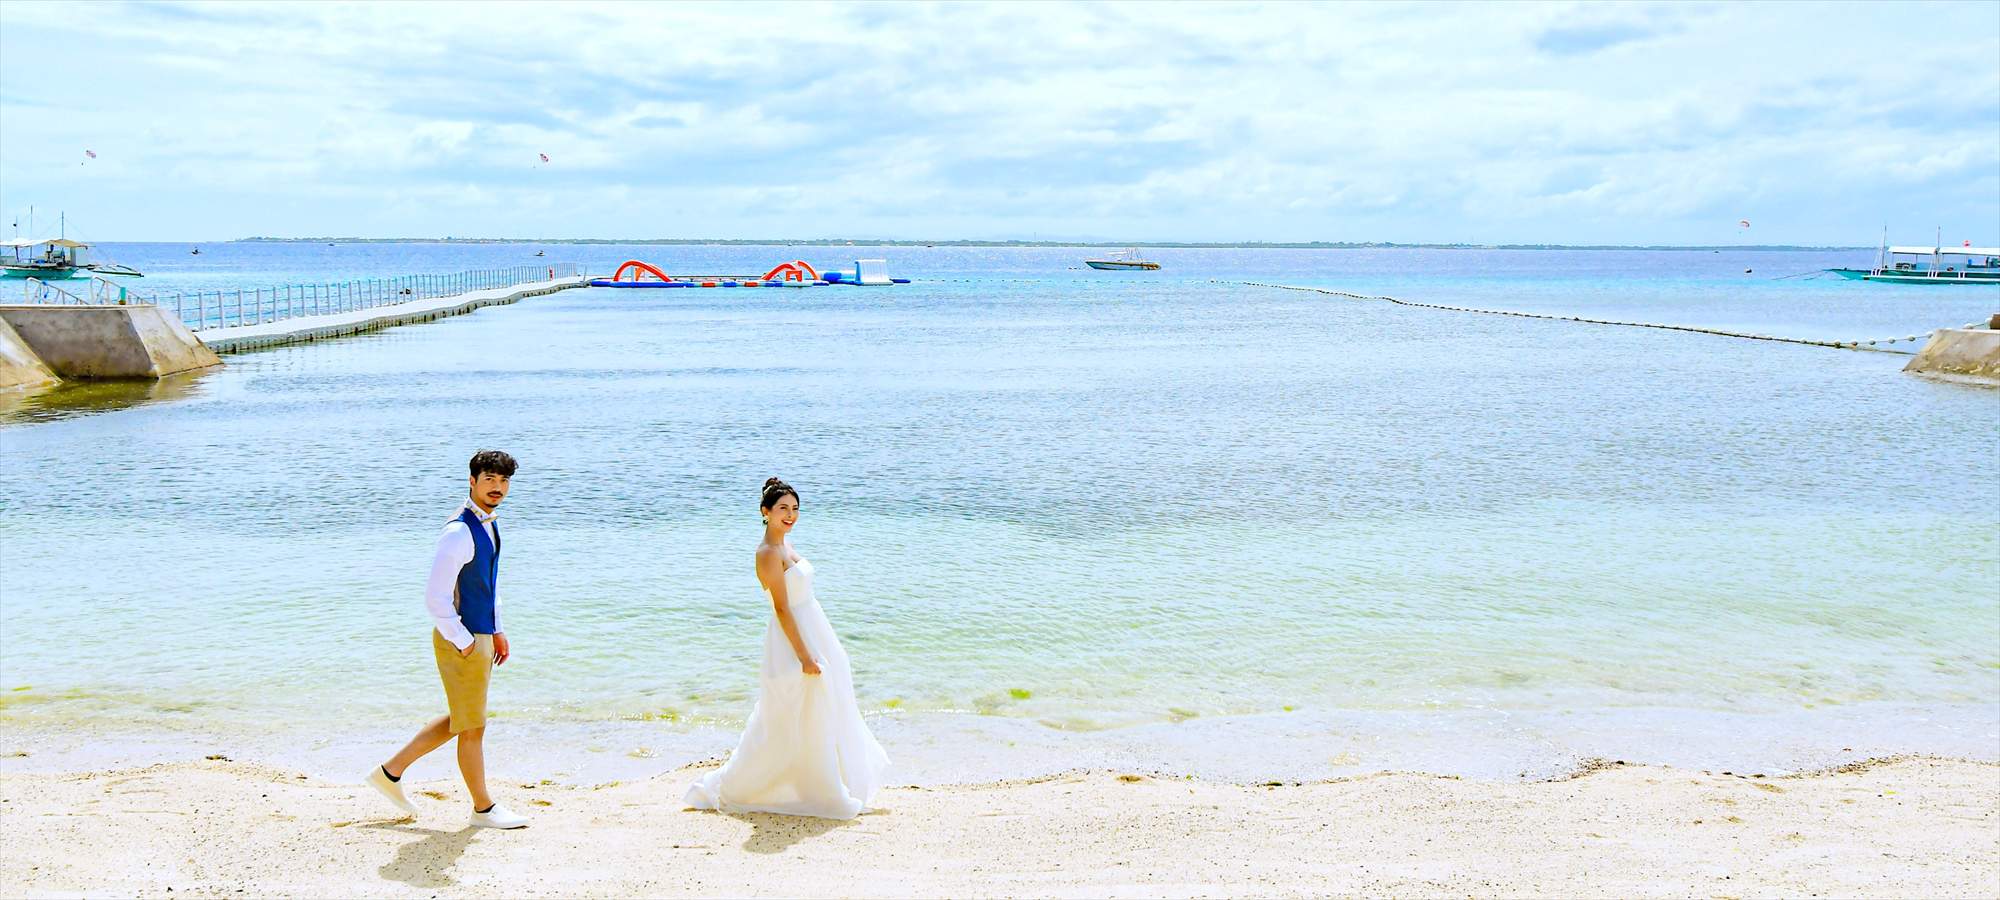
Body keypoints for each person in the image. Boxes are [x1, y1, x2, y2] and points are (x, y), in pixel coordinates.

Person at [685, 478, 889, 819]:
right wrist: (805, 656)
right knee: (784, 718)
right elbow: (781, 608)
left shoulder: (785, 545)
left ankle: (834, 781)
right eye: (783, 509)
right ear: (765, 513)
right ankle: (745, 786)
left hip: (814, 629)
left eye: (795, 509)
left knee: (822, 710)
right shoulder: (767, 554)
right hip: (792, 641)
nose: (790, 515)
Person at [365, 450, 529, 829]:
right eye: (489, 479)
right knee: (473, 727)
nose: (497, 488)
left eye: (503, 481)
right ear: (472, 481)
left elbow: (488, 584)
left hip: (480, 634)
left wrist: (497, 628)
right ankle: (483, 809)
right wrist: (464, 640)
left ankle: (390, 773)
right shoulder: (458, 532)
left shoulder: (487, 525)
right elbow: (435, 597)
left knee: (463, 718)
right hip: (463, 640)